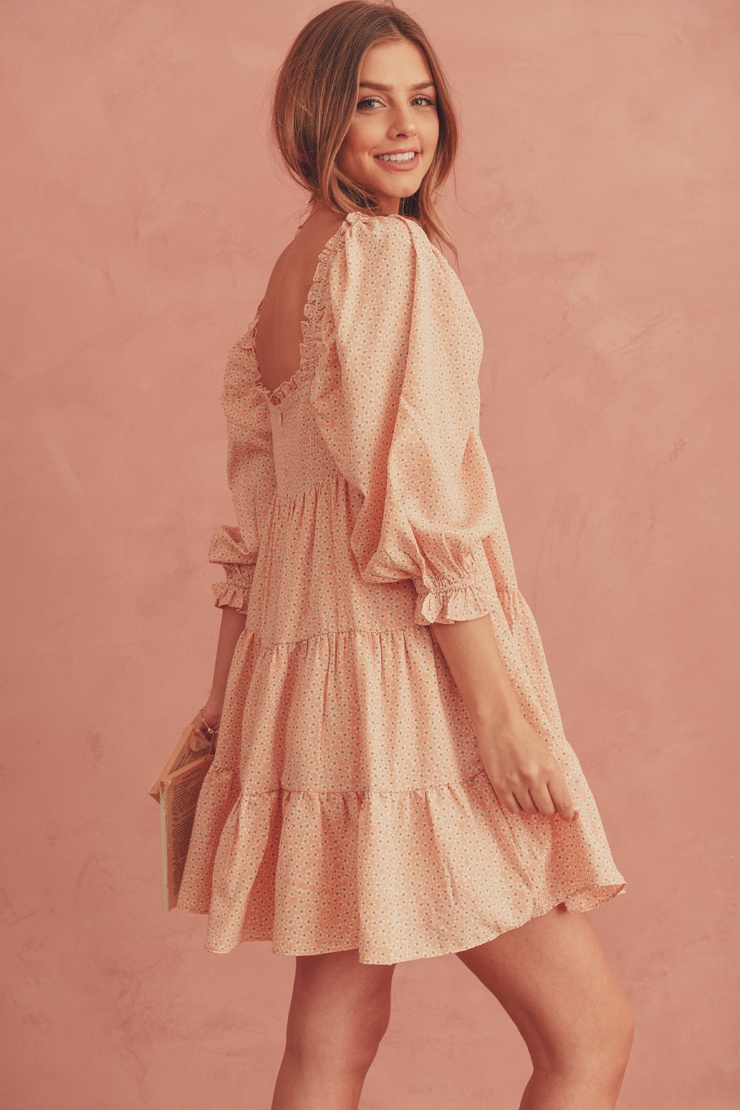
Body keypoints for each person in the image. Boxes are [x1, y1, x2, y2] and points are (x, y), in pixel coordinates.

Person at [176, 2, 634, 1106]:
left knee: (333, 1033)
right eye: (369, 102)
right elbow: (417, 505)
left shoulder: (291, 275)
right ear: (317, 119)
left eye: (420, 99)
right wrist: (500, 712)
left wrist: (224, 702)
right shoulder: (386, 257)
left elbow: (260, 529)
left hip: (310, 694)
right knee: (589, 1034)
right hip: (407, 687)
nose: (404, 127)